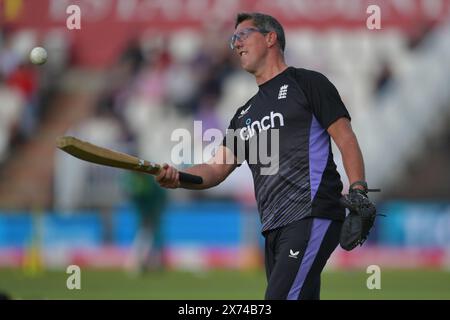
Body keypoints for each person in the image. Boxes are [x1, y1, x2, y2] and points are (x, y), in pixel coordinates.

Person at [156, 12, 369, 300]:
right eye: (233, 39)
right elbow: (216, 169)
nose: (236, 44)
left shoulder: (308, 83)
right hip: (273, 228)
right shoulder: (244, 114)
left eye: (243, 35)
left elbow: (345, 137)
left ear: (271, 38)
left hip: (310, 214)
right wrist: (179, 178)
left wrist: (358, 189)